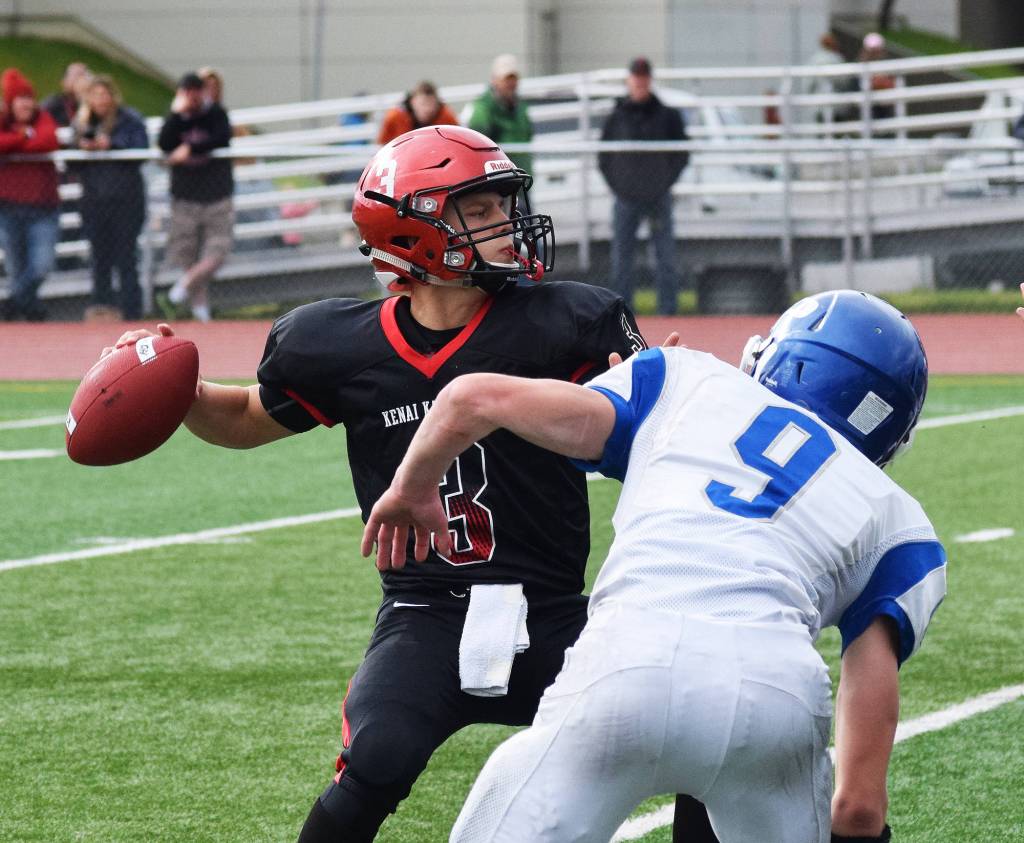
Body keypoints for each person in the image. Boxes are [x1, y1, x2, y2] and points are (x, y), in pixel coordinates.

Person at [102, 126, 712, 843]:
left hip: (552, 610)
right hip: (425, 612)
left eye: (502, 204)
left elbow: (647, 432)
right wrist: (177, 387)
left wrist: (664, 399)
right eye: (478, 210)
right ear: (413, 232)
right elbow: (243, 418)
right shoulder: (339, 342)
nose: (504, 222)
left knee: (694, 723)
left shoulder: (569, 321)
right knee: (378, 755)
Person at [364, 289, 946, 843]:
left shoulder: (683, 376)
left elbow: (470, 398)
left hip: (625, 663)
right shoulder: (901, 522)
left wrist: (411, 487)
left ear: (782, 358)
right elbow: (859, 808)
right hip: (777, 696)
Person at [599, 57, 689, 316]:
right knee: (622, 257)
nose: (640, 82)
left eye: (644, 77)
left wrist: (664, 181)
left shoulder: (667, 115)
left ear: (650, 80)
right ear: (629, 80)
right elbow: (603, 157)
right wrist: (619, 185)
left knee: (665, 256)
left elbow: (681, 153)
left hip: (658, 196)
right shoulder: (617, 116)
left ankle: (668, 311)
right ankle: (622, 313)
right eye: (636, 77)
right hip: (626, 197)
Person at [156, 71, 234, 323]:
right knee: (186, 253)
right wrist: (176, 114)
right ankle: (201, 309)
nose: (191, 97)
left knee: (218, 251)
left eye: (195, 91)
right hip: (185, 197)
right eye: (186, 91)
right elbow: (164, 143)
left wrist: (190, 147)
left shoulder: (216, 113)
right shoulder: (177, 117)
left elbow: (221, 138)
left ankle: (181, 289)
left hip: (216, 195)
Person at [72, 75, 149, 321]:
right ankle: (102, 308)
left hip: (126, 200)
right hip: (94, 200)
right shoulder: (82, 122)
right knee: (99, 258)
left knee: (126, 257)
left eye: (104, 94)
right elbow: (71, 163)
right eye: (95, 95)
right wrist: (82, 148)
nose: (100, 100)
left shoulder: (129, 120)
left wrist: (112, 145)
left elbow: (141, 150)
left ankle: (131, 311)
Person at [0, 68, 60, 322]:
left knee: (41, 266)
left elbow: (47, 141)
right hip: (9, 208)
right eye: (20, 99)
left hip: (42, 208)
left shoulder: (42, 118)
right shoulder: (3, 120)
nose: (26, 104)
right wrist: (22, 136)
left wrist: (18, 141)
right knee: (16, 267)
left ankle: (11, 303)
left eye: (28, 98)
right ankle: (32, 313)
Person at [467, 54, 532, 172]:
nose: (510, 83)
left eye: (513, 79)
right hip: (499, 175)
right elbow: (477, 143)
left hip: (522, 172)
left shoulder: (521, 106)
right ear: (494, 80)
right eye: (506, 79)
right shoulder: (482, 108)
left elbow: (528, 135)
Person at [377, 80, 459, 145]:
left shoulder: (447, 118)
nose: (427, 109)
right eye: (423, 104)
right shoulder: (395, 117)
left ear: (437, 104)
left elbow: (456, 141)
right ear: (412, 102)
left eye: (431, 104)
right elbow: (383, 144)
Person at [41, 61, 91, 129]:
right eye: (76, 76)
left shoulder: (92, 105)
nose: (81, 80)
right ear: (64, 81)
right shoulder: (53, 103)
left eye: (84, 75)